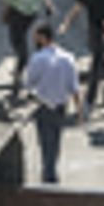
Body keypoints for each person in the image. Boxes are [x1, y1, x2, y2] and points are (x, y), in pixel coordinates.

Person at [25, 22, 81, 185]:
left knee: (44, 139)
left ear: (43, 38)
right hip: (61, 105)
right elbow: (74, 87)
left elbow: (29, 82)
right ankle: (51, 169)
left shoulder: (38, 58)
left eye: (36, 38)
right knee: (56, 139)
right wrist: (79, 111)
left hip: (42, 103)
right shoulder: (68, 58)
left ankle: (47, 171)